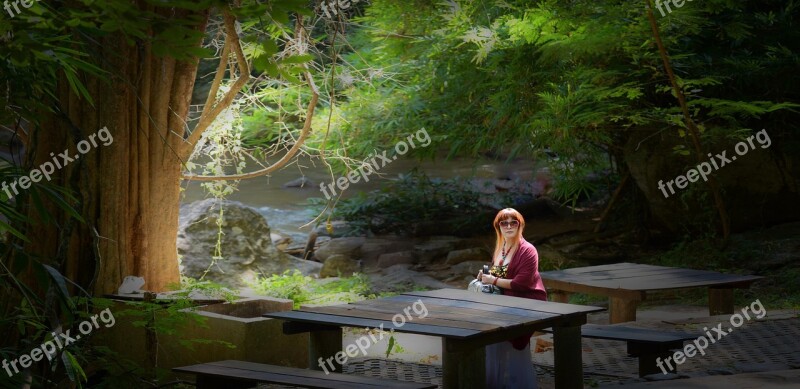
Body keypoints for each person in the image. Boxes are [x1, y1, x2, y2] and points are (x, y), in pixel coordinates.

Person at [476, 208, 547, 388]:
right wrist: (485, 275)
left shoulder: (528, 250)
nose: (508, 226)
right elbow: (500, 272)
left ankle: (517, 383)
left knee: (506, 337)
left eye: (513, 222)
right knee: (488, 334)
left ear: (520, 225)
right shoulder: (502, 247)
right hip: (504, 301)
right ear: (498, 227)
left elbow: (521, 283)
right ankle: (493, 382)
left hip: (527, 301)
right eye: (504, 223)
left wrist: (493, 279)